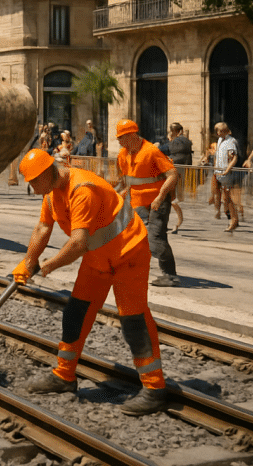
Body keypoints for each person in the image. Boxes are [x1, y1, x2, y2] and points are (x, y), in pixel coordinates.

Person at [14, 149, 169, 416]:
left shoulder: (82, 189)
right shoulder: (52, 194)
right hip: (98, 259)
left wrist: (49, 264)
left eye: (32, 182)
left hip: (128, 253)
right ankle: (64, 376)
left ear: (46, 173)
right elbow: (42, 228)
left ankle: (155, 389)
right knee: (76, 312)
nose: (31, 188)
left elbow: (78, 243)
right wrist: (28, 261)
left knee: (133, 320)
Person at [115, 119, 180, 287]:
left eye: (121, 138)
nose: (119, 142)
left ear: (131, 135)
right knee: (134, 237)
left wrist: (160, 196)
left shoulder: (151, 151)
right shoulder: (123, 155)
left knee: (155, 237)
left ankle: (170, 275)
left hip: (158, 200)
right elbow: (127, 181)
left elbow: (172, 174)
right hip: (137, 202)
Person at [159, 123, 193, 232]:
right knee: (170, 200)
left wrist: (169, 141)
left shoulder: (180, 141)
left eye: (171, 131)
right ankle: (174, 223)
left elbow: (164, 149)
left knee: (174, 200)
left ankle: (177, 223)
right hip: (174, 174)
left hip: (177, 174)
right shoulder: (180, 141)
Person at [214, 122, 240, 232]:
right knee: (225, 198)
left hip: (226, 174)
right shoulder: (220, 140)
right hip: (219, 172)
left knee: (228, 199)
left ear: (224, 131)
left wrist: (227, 170)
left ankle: (233, 221)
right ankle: (232, 219)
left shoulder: (230, 141)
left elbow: (234, 158)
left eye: (219, 131)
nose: (217, 133)